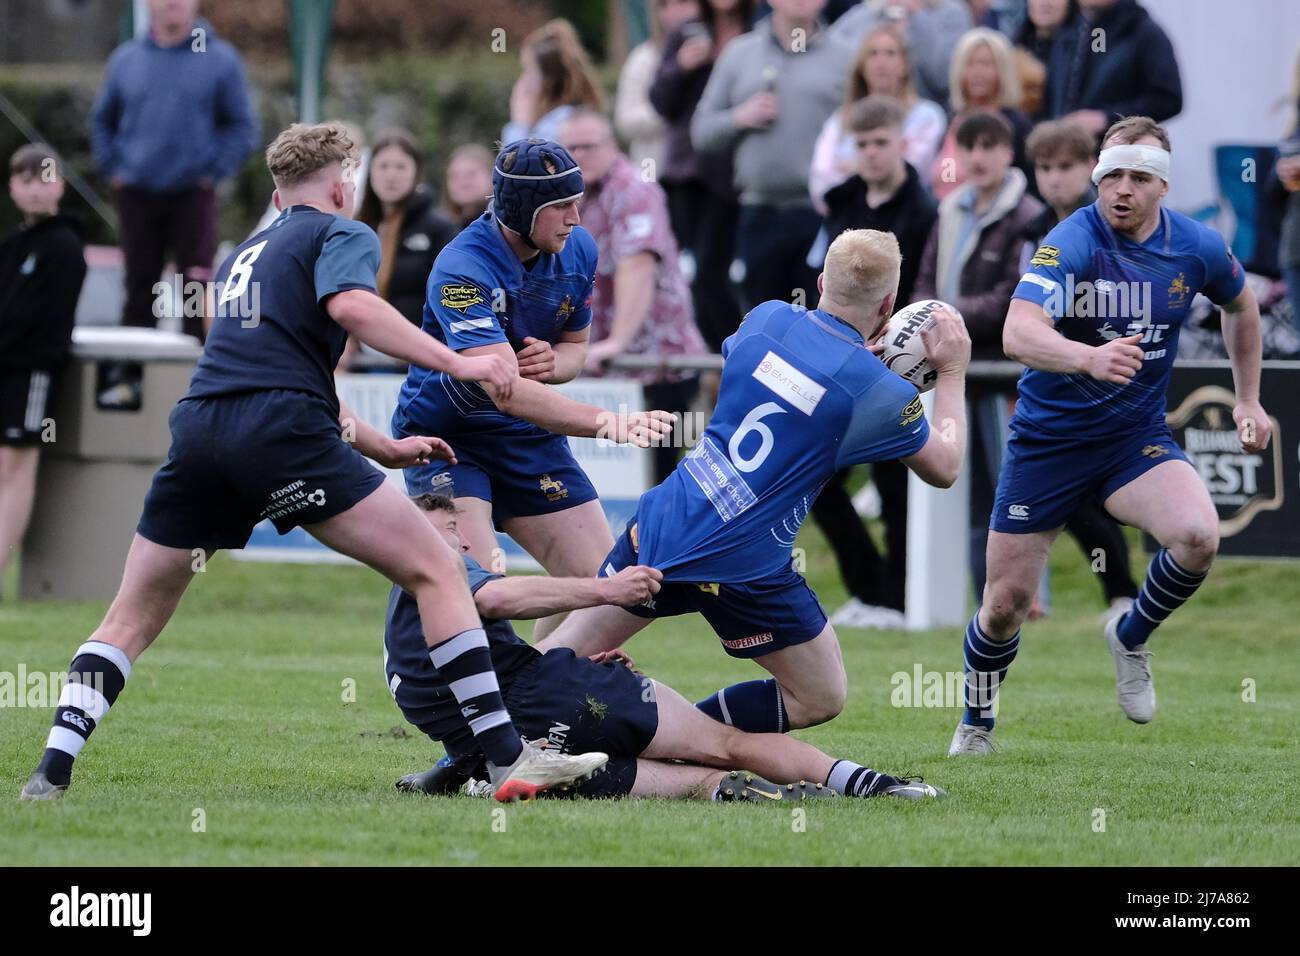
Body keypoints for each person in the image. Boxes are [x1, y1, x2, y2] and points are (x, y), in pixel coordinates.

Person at [18, 123, 608, 803]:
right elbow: (352, 306)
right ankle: (508, 760)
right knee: (439, 570)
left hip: (202, 429)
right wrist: (454, 359)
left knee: (129, 617)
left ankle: (51, 771)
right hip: (281, 433)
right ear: (342, 185)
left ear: (276, 192)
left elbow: (277, 363)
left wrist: (380, 446)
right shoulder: (344, 231)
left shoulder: (248, 249)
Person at [541, 229, 970, 736]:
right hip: (744, 563)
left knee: (551, 664)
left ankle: (472, 753)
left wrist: (852, 359)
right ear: (890, 304)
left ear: (819, 281)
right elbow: (945, 466)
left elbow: (783, 379)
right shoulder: (878, 393)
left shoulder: (766, 317)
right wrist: (953, 372)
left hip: (670, 520)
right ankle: (685, 738)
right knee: (820, 695)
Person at [948, 117, 1271, 755]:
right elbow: (1017, 332)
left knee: (1198, 536)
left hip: (1134, 441)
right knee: (1005, 603)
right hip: (1048, 443)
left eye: (1139, 177)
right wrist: (1086, 357)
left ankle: (1130, 633)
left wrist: (1249, 399)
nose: (1121, 189)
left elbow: (1242, 306)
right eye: (1111, 175)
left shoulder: (1198, 247)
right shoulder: (1071, 240)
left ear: (1163, 187)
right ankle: (975, 722)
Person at [388, 493, 944, 801]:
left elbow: (464, 678)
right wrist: (608, 589)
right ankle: (874, 788)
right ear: (417, 532)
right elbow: (500, 598)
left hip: (522, 746)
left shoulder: (397, 627)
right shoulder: (442, 572)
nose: (463, 542)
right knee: (727, 744)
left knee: (698, 780)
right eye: (450, 530)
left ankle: (755, 798)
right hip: (561, 697)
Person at [389, 138, 674, 643]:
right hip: (449, 442)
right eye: (560, 206)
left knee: (603, 590)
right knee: (478, 597)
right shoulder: (461, 270)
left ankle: (541, 682)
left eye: (577, 202)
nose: (574, 216)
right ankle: (471, 701)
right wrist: (609, 423)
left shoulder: (578, 247)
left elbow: (574, 349)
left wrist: (553, 362)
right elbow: (506, 391)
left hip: (526, 435)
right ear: (522, 210)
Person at [814, 96, 938, 629]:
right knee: (818, 480)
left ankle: (898, 598)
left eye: (881, 142)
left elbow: (928, 288)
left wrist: (899, 345)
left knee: (897, 487)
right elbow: (819, 278)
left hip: (900, 366)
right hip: (837, 364)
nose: (871, 153)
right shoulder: (839, 203)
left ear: (904, 143)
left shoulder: (926, 210)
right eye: (861, 144)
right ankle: (868, 590)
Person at [915, 110, 1044, 602]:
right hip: (951, 372)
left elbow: (1015, 296)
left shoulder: (1028, 215)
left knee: (1010, 492)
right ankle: (985, 596)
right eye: (969, 146)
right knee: (965, 493)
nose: (978, 156)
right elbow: (925, 275)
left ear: (1009, 153)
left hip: (1002, 376)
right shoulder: (948, 210)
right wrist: (933, 315)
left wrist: (942, 316)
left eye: (990, 145)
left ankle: (1027, 596)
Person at [1021, 119, 1139, 619]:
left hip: (1111, 372)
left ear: (1093, 169)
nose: (1053, 179)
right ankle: (1030, 597)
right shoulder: (1033, 230)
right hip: (1054, 376)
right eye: (1044, 168)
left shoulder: (1116, 228)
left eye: (1065, 167)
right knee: (1066, 497)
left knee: (1100, 490)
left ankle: (1124, 593)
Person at [89, 0, 257, 342]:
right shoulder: (126, 59)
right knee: (139, 289)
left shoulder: (220, 60)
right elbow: (101, 121)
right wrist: (115, 169)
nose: (173, 3)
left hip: (193, 195)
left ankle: (198, 378)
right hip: (136, 192)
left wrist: (213, 172)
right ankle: (130, 383)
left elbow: (242, 126)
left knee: (195, 289)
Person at [558, 109, 709, 485]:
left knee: (653, 484)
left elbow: (637, 265)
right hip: (603, 368)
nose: (579, 155)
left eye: (589, 146)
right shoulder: (575, 199)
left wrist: (617, 343)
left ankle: (664, 546)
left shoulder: (633, 189)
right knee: (606, 481)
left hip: (657, 365)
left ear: (611, 147)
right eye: (570, 148)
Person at [691, 0, 854, 313]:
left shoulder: (845, 57)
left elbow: (867, 127)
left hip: (825, 216)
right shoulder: (740, 53)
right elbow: (701, 132)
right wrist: (739, 117)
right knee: (762, 322)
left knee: (821, 325)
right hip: (759, 212)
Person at [0, 145, 87, 594]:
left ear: (60, 185)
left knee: (15, 469)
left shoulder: (65, 245)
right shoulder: (14, 244)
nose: (36, 189)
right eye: (26, 180)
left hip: (31, 371)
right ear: (13, 187)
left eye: (44, 178)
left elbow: (39, 320)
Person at [648, 0, 753, 351]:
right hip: (686, 173)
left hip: (735, 177)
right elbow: (660, 101)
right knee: (684, 276)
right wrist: (680, 66)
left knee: (716, 274)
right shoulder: (689, 32)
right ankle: (706, 358)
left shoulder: (759, 32)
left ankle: (732, 353)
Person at [808, 21, 947, 212]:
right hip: (847, 222)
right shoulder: (840, 119)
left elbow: (915, 172)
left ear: (905, 64)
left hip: (906, 221)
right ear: (861, 65)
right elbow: (821, 180)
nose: (881, 62)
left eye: (890, 53)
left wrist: (853, 168)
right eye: (872, 53)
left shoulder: (927, 117)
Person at [1045, 0, 1182, 135]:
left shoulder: (1143, 32)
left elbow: (1168, 100)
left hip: (1119, 150)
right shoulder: (1068, 34)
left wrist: (1106, 118)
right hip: (1066, 150)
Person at [929, 28, 1033, 201]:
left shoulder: (1016, 124)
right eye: (970, 63)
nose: (978, 72)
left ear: (1002, 71)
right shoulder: (951, 120)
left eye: (986, 64)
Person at [830, 0, 973, 108]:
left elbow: (945, 79)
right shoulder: (864, 14)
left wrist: (917, 15)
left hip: (926, 119)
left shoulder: (950, 12)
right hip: (864, 115)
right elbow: (828, 63)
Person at [614, 0, 702, 176]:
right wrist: (671, 112)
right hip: (653, 165)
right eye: (664, 5)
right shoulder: (644, 58)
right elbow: (626, 121)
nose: (673, 12)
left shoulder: (717, 51)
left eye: (683, 2)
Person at [503, 19, 606, 145]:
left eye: (529, 71)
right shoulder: (576, 115)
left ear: (548, 82)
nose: (523, 80)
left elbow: (518, 162)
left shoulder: (558, 126)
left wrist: (519, 125)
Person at [443, 144, 494, 232]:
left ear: (492, 176)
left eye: (471, 174)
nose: (463, 182)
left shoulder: (506, 227)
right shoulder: (440, 229)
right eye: (455, 176)